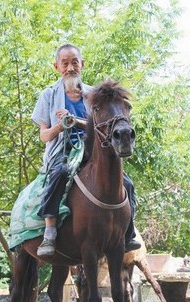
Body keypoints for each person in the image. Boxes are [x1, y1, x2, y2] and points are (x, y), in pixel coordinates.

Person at [31, 43, 141, 257]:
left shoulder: (95, 95)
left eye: (74, 62)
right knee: (60, 173)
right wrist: (60, 126)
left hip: (93, 151)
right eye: (65, 63)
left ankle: (129, 231)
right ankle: (50, 230)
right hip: (62, 151)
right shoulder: (48, 95)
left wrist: (77, 122)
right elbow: (44, 135)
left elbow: (105, 125)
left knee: (126, 182)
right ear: (57, 67)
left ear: (82, 64)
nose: (70, 67)